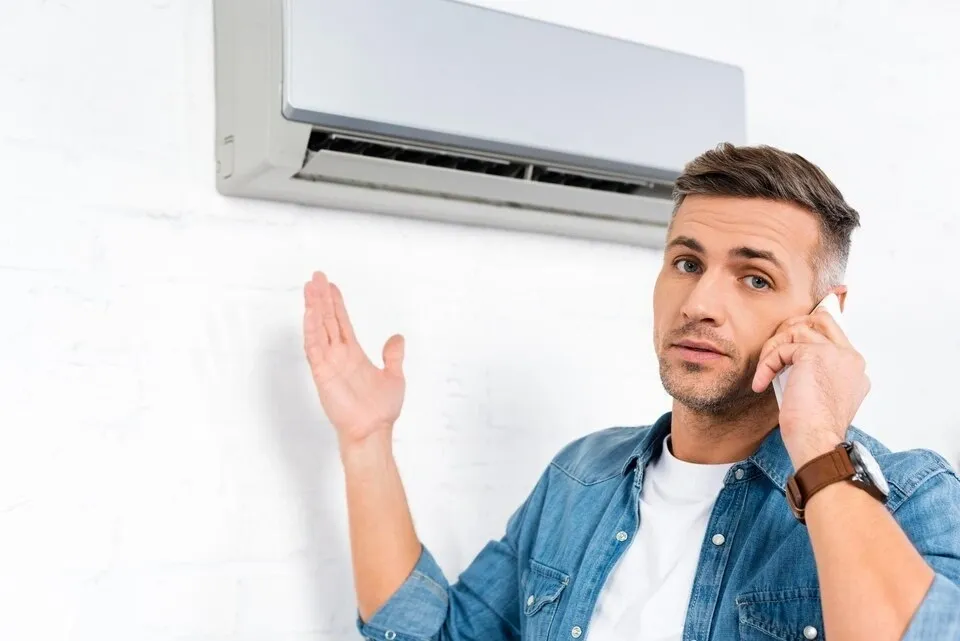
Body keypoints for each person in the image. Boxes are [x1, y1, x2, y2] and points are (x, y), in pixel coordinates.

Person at [302, 143, 960, 641]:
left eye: (754, 279)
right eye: (687, 262)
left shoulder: (909, 496)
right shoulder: (580, 478)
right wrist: (367, 442)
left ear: (825, 313)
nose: (700, 302)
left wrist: (817, 439)